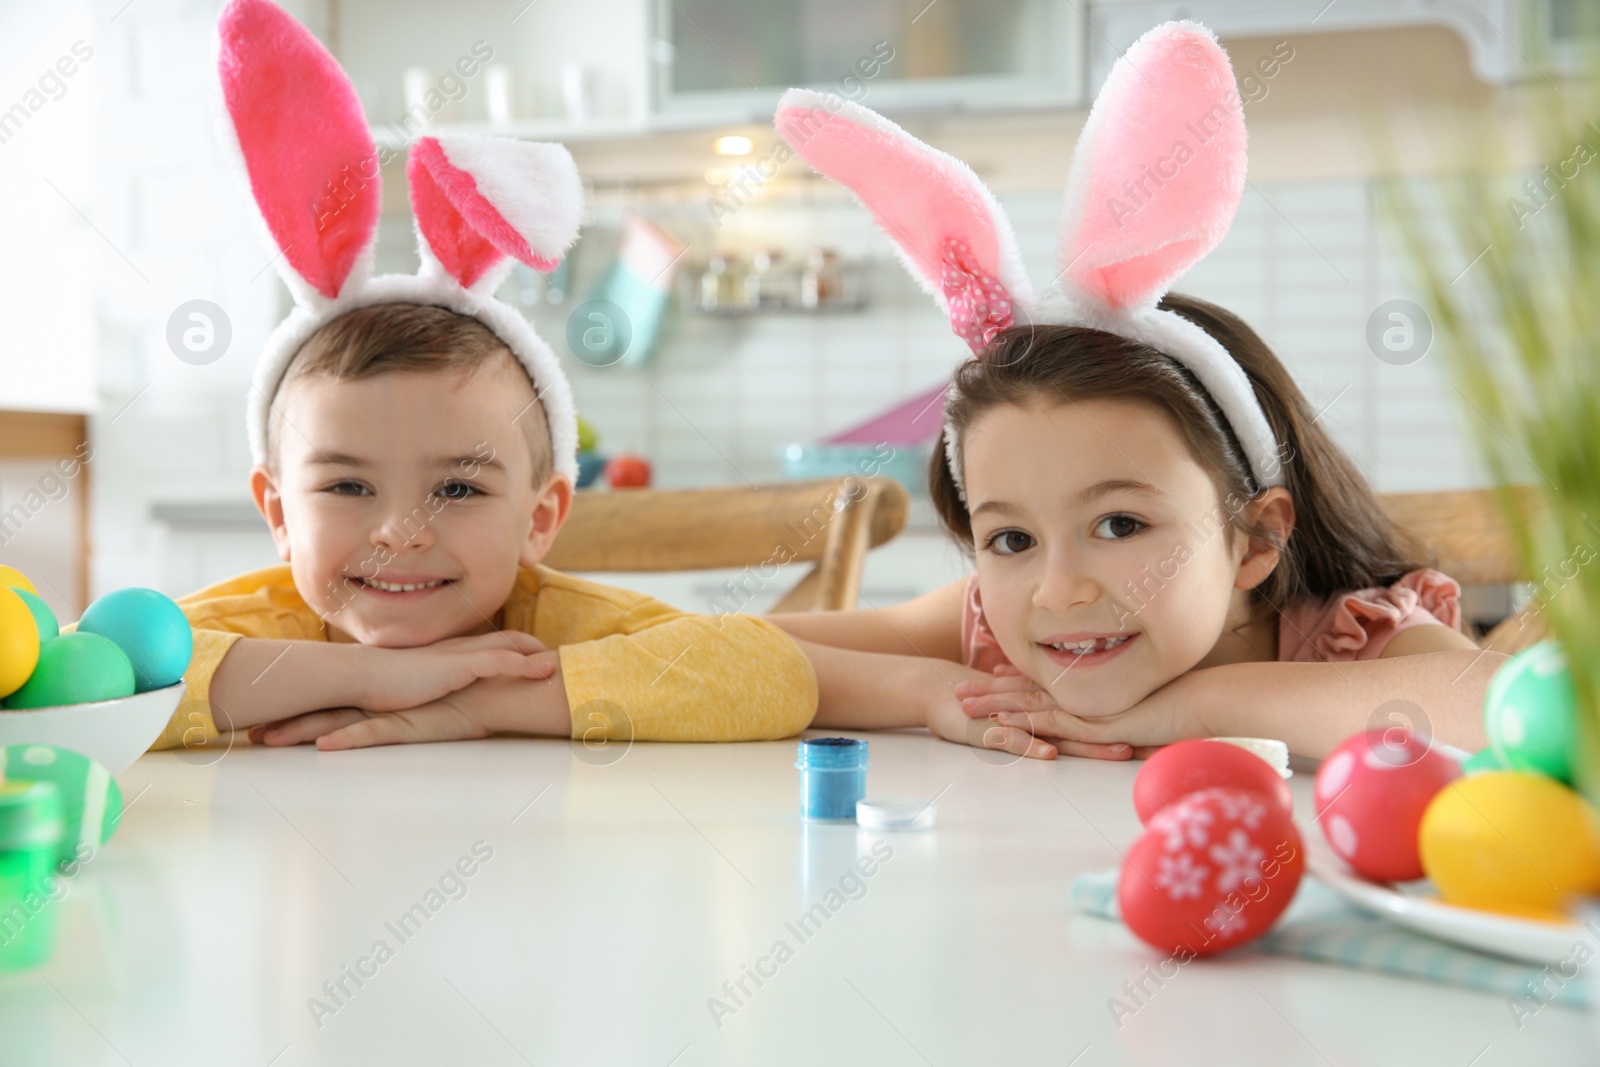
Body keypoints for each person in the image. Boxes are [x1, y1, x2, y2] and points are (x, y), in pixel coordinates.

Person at [763, 22, 1498, 761]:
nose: (1059, 591)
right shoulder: (995, 622)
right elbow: (722, 649)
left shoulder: (1353, 638)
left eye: (1119, 524)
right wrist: (926, 692)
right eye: (1011, 538)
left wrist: (1200, 708)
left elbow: (1513, 708)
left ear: (1257, 538)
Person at [146, 0, 815, 754]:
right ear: (276, 511)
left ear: (539, 519)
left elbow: (769, 673)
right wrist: (361, 676)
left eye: (458, 488)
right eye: (347, 485)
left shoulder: (555, 618)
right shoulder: (266, 618)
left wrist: (484, 701)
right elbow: (76, 677)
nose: (401, 532)